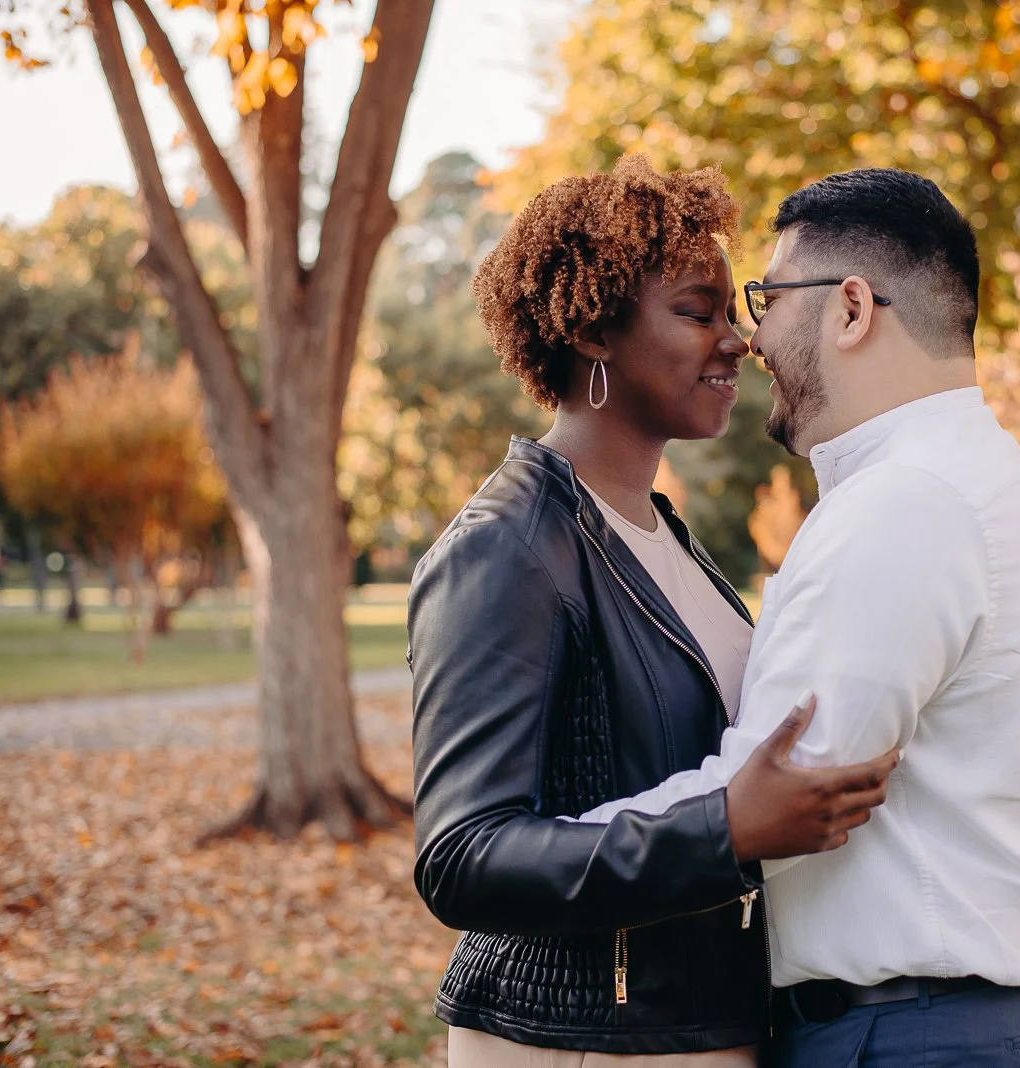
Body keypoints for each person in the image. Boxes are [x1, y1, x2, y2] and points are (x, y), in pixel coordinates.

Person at [576, 169, 1020, 1067]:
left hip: (912, 1038)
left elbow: (781, 790)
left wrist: (537, 855)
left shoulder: (904, 502)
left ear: (851, 309)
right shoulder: (964, 468)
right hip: (959, 1024)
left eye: (769, 299)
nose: (749, 338)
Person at [406, 155, 899, 1067]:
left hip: (700, 1024)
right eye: (697, 313)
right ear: (594, 330)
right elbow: (462, 856)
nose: (739, 342)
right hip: (579, 1043)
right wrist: (726, 829)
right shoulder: (505, 548)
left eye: (730, 314)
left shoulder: (662, 533)